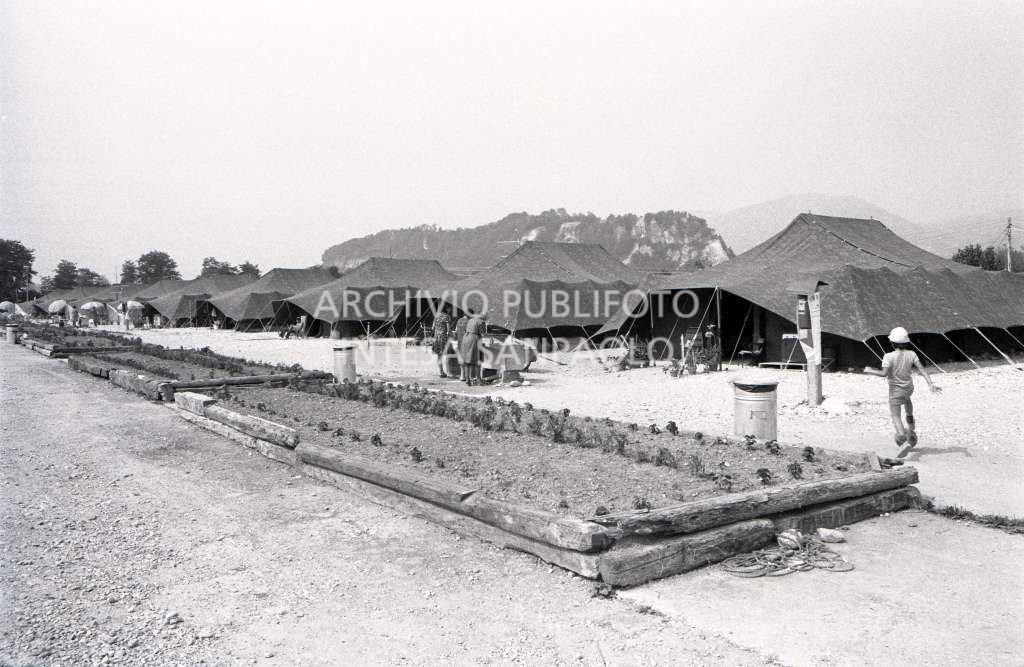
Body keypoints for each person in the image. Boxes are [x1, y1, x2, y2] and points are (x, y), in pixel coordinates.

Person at [863, 326, 940, 456]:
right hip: (909, 388)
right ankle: (910, 423)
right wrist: (930, 384)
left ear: (892, 342)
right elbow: (921, 369)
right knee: (907, 401)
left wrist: (869, 370)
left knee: (895, 415)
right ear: (906, 342)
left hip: (895, 391)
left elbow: (884, 374)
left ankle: (902, 439)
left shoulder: (888, 356)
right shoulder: (912, 354)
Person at [460, 309, 485, 386]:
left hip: (466, 338)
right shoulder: (481, 322)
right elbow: (483, 334)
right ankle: (479, 380)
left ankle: (468, 380)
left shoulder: (470, 320)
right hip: (474, 340)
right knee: (477, 360)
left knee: (467, 361)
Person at [431, 307, 453, 378]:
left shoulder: (436, 315)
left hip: (436, 338)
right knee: (448, 354)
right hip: (443, 338)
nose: (450, 310)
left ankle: (441, 372)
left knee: (439, 356)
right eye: (450, 309)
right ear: (446, 309)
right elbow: (448, 329)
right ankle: (449, 372)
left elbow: (433, 327)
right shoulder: (447, 316)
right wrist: (452, 336)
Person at [454, 310, 470, 381]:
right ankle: (468, 376)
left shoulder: (459, 320)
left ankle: (462, 376)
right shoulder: (470, 321)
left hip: (460, 341)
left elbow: (456, 331)